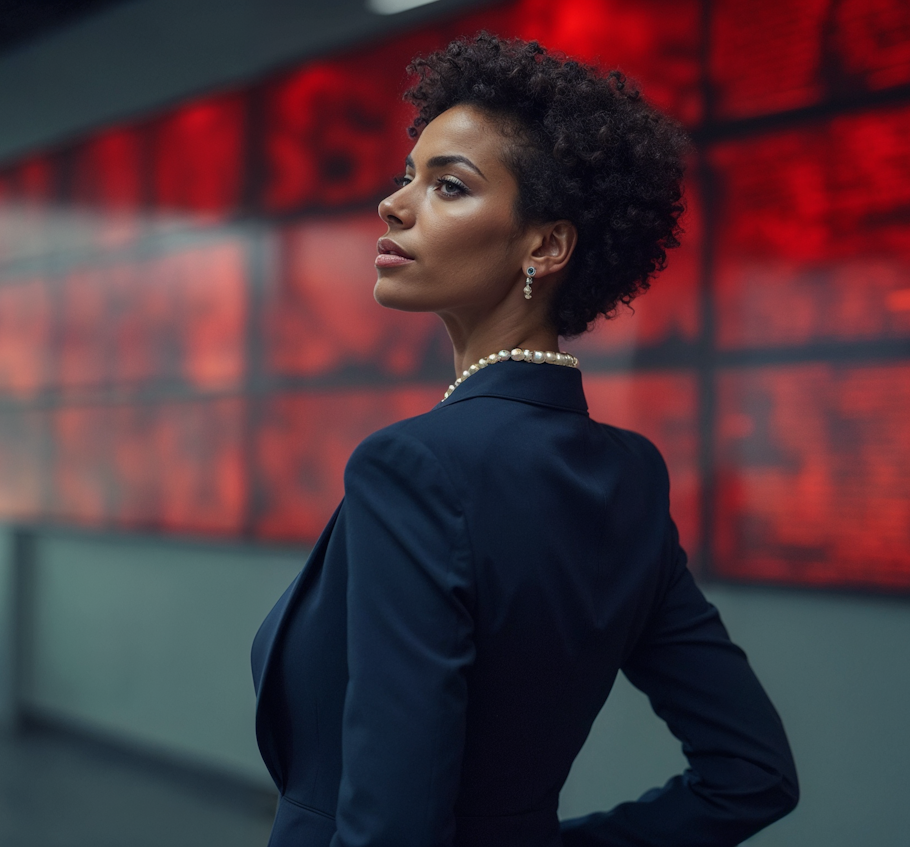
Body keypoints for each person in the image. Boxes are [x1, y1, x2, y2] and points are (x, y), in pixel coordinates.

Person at [250, 33, 797, 847]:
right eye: (410, 176)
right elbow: (752, 774)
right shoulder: (632, 477)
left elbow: (392, 824)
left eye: (449, 186)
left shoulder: (411, 466)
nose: (394, 204)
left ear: (544, 245)